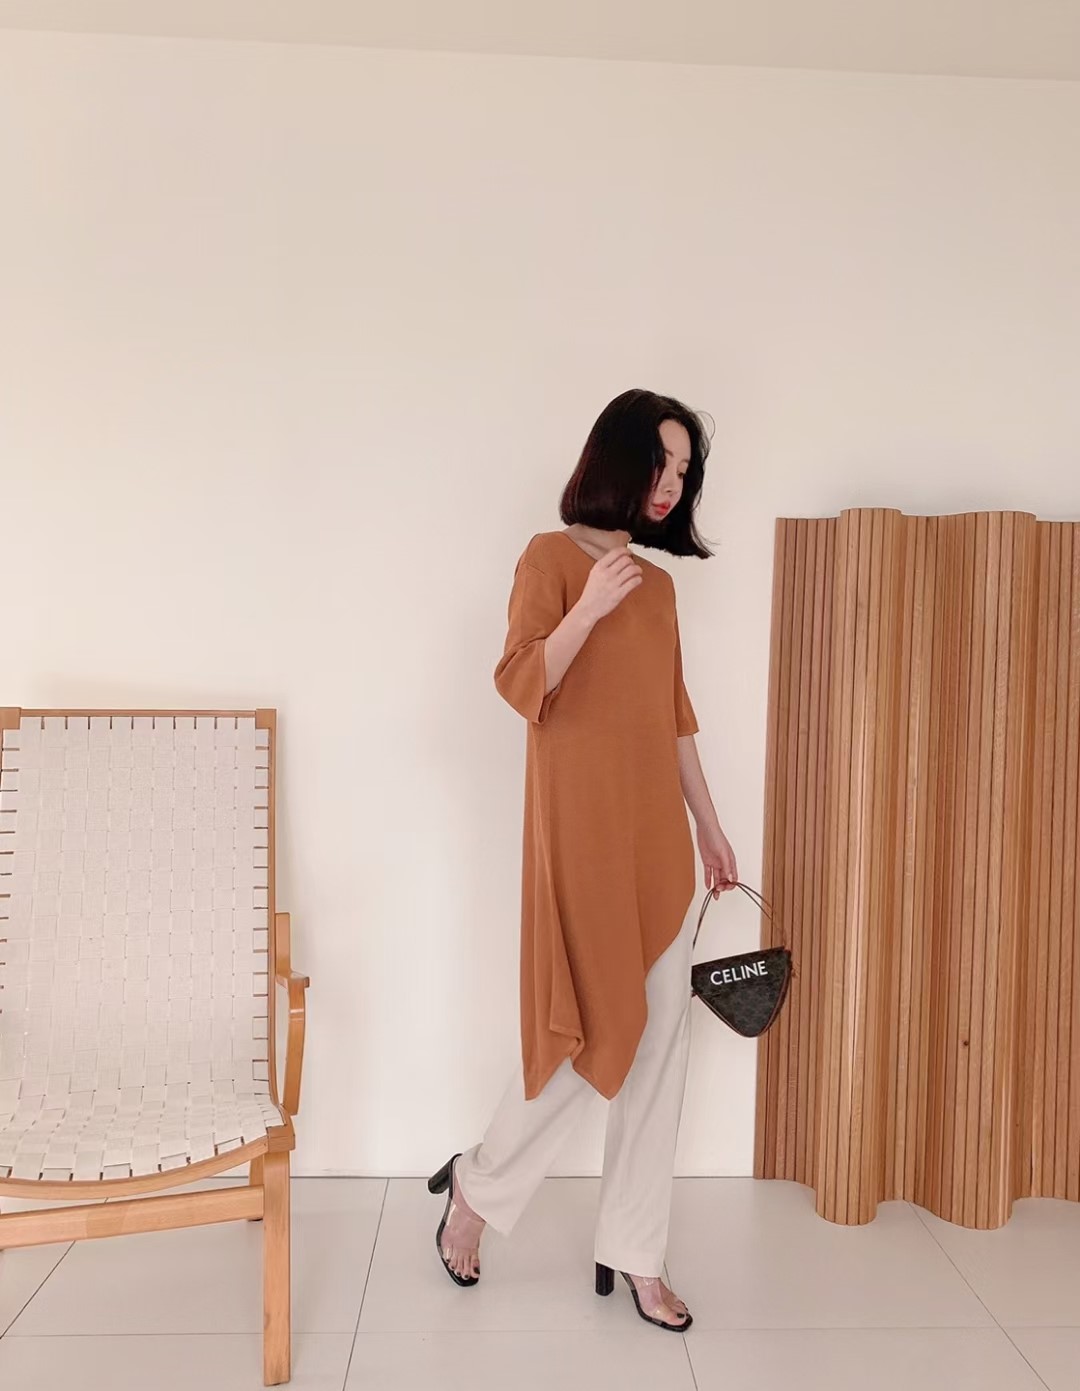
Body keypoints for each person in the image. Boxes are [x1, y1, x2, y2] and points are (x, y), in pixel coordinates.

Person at [429, 388, 738, 1331]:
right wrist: (590, 606)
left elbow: (674, 720)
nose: (670, 484)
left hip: (657, 845)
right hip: (581, 840)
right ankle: (478, 1187)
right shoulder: (549, 558)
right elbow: (521, 679)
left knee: (661, 1050)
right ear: (617, 457)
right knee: (585, 1037)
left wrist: (710, 826)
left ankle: (637, 1253)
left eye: (683, 471)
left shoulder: (663, 588)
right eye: (660, 462)